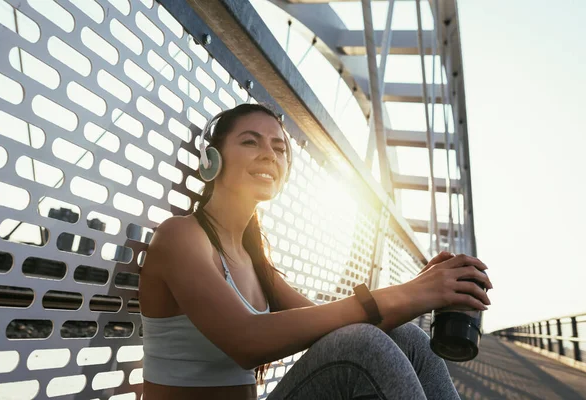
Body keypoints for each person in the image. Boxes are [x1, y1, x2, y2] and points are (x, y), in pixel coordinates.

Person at [139, 103, 493, 400]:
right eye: (251, 142)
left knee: (409, 338)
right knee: (362, 346)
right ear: (212, 159)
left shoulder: (256, 261)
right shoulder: (181, 236)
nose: (269, 154)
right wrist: (406, 293)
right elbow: (244, 340)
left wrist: (419, 291)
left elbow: (334, 324)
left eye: (279, 148)